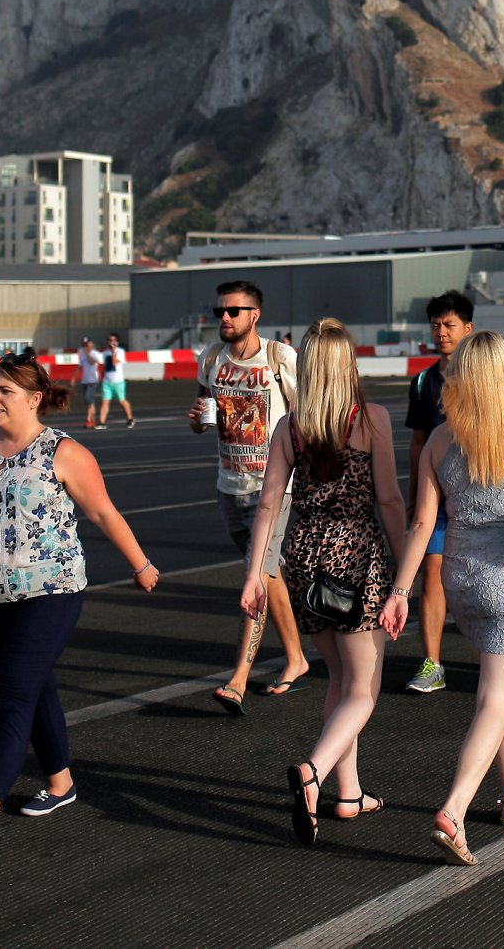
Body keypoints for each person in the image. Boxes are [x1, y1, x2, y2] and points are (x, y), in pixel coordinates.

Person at [0, 354, 159, 849]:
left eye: (5, 391)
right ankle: (61, 783)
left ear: (34, 398)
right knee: (34, 685)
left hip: (51, 592)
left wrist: (141, 564)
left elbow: (104, 514)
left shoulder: (64, 453)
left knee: (11, 691)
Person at [381, 331, 504, 867]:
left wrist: (400, 591)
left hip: (458, 577)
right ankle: (455, 809)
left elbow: (422, 522)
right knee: (495, 696)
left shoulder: (440, 438)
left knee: (503, 685)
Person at [242, 320, 407, 842]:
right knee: (364, 689)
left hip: (303, 557)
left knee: (338, 678)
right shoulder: (371, 419)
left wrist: (253, 572)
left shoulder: (290, 427)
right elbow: (388, 500)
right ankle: (314, 773)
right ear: (347, 366)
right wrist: (406, 573)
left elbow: (268, 503)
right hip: (354, 557)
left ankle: (349, 793)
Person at [190, 280, 308, 714]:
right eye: (220, 310)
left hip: (272, 489)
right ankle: (296, 659)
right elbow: (202, 415)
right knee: (268, 574)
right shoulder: (211, 359)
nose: (224, 317)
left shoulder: (281, 359)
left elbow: (306, 418)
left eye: (233, 311)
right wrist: (200, 421)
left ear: (254, 315)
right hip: (230, 484)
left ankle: (238, 678)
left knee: (255, 577)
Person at [401, 290, 476, 694]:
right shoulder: (423, 382)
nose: (441, 332)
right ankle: (432, 662)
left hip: (480, 498)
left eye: (448, 325)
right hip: (437, 498)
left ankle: (496, 654)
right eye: (435, 325)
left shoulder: (482, 379)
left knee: (476, 580)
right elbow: (417, 443)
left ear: (468, 329)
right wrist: (414, 494)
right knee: (431, 571)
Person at [100, 332, 136, 426]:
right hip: (107, 381)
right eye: (110, 340)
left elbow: (115, 362)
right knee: (105, 402)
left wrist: (113, 352)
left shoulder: (120, 352)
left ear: (117, 341)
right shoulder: (105, 353)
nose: (111, 342)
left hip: (118, 382)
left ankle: (130, 418)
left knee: (122, 401)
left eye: (113, 340)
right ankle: (102, 422)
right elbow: (105, 366)